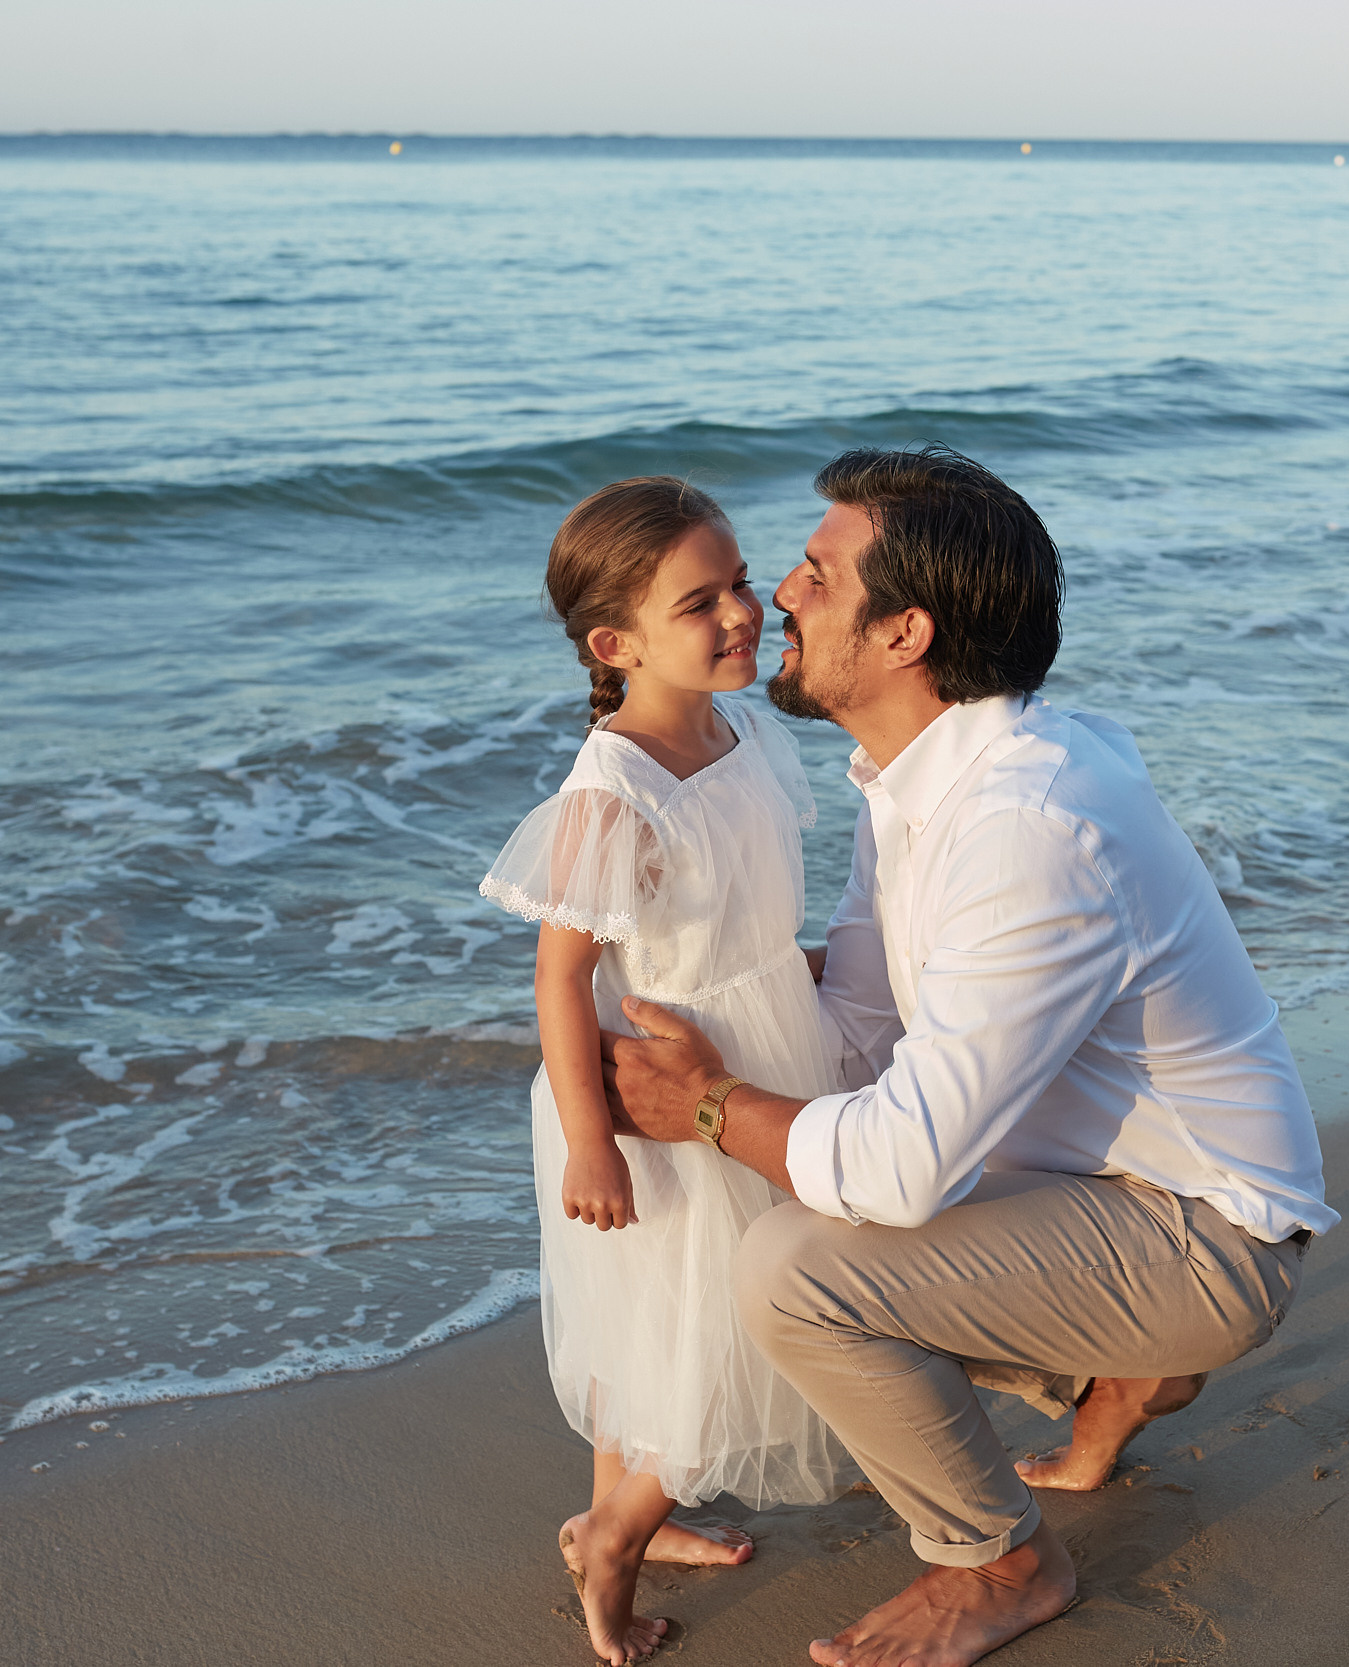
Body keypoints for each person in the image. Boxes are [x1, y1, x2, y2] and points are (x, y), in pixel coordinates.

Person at [599, 446, 1337, 1667]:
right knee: (804, 1164)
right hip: (1111, 1192)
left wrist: (711, 1106)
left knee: (794, 1268)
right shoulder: (926, 775)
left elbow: (894, 1169)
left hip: (1205, 1236)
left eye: (819, 574)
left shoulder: (1022, 825)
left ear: (905, 634)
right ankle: (1123, 1384)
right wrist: (705, 989)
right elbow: (869, 1033)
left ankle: (1001, 1559)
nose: (778, 591)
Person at [478, 477, 853, 1665]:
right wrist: (591, 1134)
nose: (743, 611)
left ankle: (617, 1507)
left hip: (758, 1045)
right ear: (616, 642)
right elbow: (557, 977)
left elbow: (745, 901)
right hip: (652, 1096)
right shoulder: (612, 788)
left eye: (740, 581)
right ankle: (613, 1552)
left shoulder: (743, 726)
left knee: (656, 1331)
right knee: (707, 1351)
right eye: (704, 600)